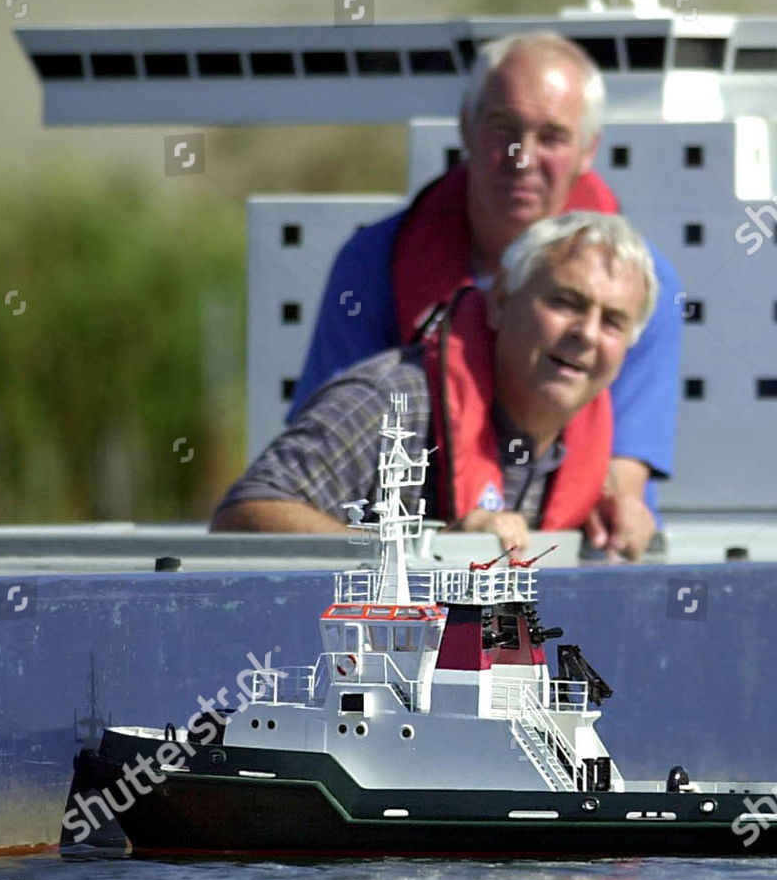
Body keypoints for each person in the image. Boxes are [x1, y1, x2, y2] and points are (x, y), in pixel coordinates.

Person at [283, 30, 682, 559]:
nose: (523, 156)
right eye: (504, 129)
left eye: (553, 137)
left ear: (588, 151)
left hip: (565, 565)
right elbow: (323, 445)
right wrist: (422, 550)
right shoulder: (371, 264)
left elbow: (623, 468)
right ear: (467, 127)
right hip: (402, 584)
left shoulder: (639, 285)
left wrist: (621, 509)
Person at [211, 212, 657, 557]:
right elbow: (243, 516)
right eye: (565, 302)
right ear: (501, 301)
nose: (586, 333)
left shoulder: (590, 456)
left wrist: (620, 523)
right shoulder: (390, 401)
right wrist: (432, 550)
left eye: (613, 322)